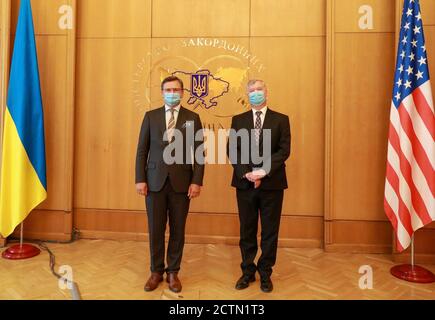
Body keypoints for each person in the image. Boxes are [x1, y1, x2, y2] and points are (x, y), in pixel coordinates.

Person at [135, 76, 204, 293]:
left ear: (183, 92)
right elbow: (141, 151)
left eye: (176, 89)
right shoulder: (150, 116)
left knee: (177, 230)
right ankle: (156, 271)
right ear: (162, 92)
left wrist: (197, 181)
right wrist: (140, 178)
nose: (172, 93)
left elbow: (200, 153)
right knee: (155, 229)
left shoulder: (193, 117)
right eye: (168, 89)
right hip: (153, 182)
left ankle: (173, 272)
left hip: (182, 184)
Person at [228, 79, 291, 293]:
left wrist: (262, 172)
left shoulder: (281, 120)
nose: (256, 93)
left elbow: (283, 151)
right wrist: (247, 173)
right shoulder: (238, 120)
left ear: (267, 92)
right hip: (244, 184)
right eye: (251, 91)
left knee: (269, 231)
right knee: (247, 229)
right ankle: (247, 271)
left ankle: (265, 273)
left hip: (272, 184)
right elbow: (233, 149)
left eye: (259, 90)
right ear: (247, 94)